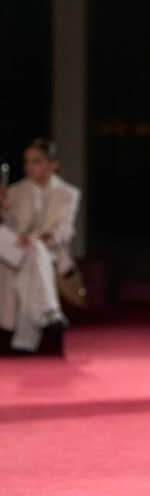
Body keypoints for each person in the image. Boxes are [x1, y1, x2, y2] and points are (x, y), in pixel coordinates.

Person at [0, 137, 80, 355]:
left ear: (52, 165)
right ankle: (50, 313)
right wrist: (4, 210)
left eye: (36, 161)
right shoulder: (15, 191)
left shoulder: (68, 193)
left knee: (34, 256)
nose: (29, 166)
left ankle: (24, 342)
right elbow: (10, 230)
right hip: (14, 252)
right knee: (26, 250)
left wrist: (35, 239)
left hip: (49, 254)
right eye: (27, 161)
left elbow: (65, 231)